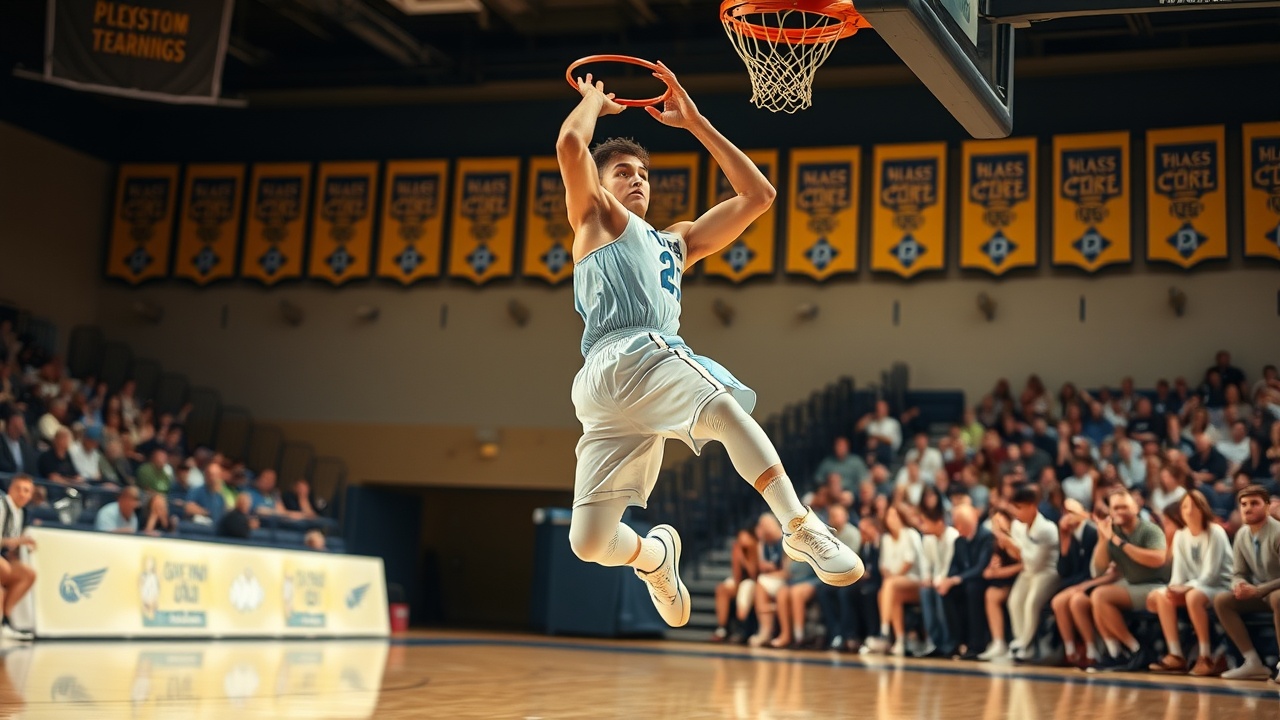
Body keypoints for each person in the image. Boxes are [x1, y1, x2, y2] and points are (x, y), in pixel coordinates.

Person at [558, 63, 861, 627]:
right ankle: (653, 557)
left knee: (722, 407)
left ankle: (798, 526)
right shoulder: (595, 215)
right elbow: (570, 145)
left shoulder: (676, 240)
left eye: (643, 172)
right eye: (623, 172)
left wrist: (697, 124)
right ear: (600, 183)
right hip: (600, 374)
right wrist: (594, 101)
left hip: (648, 353)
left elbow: (759, 195)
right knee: (588, 541)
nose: (637, 179)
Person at [1146, 490, 1232, 675]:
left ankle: (1205, 656)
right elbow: (1178, 574)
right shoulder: (1181, 535)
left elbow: (1211, 575)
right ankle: (1175, 655)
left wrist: (1186, 587)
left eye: (1195, 506)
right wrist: (1171, 589)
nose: (1190, 510)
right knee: (1163, 595)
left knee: (1193, 596)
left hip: (1221, 587)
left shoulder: (1215, 531)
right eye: (1185, 506)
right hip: (1196, 587)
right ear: (1181, 512)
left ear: (1204, 509)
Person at [1087, 488, 1171, 672]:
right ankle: (1115, 653)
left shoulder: (1150, 530)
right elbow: (1098, 571)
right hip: (1132, 584)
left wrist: (1119, 542)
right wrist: (1103, 540)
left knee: (1101, 596)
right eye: (1115, 508)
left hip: (1156, 585)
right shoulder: (1112, 532)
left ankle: (1137, 650)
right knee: (1096, 596)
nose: (1119, 511)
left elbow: (1157, 559)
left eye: (1124, 507)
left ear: (1136, 508)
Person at [1214, 485, 1280, 681]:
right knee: (1222, 601)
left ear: (1267, 506)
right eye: (1243, 504)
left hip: (1274, 592)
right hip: (1259, 593)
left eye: (1254, 503)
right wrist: (1240, 585)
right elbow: (1238, 573)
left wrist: (1259, 590)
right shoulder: (1242, 534)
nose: (1248, 508)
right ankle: (1252, 662)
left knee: (1278, 599)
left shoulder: (1278, 532)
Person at [1000, 484, 1061, 661]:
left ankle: (1026, 645)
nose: (1016, 512)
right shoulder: (1017, 526)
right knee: (1014, 601)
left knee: (1031, 603)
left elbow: (1035, 563)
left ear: (1032, 506)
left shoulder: (1046, 529)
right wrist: (1007, 542)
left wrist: (1013, 546)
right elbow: (1018, 557)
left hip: (1047, 571)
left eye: (1019, 507)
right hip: (1028, 570)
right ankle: (1020, 643)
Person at [0, 475, 37, 640]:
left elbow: (11, 548)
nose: (22, 494)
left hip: (4, 559)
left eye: (27, 491)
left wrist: (23, 547)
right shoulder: (1, 505)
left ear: (31, 495)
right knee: (5, 571)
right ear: (10, 489)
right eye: (19, 489)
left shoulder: (22, 513)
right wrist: (18, 541)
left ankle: (6, 620)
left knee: (28, 573)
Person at [712, 525, 759, 642]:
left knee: (745, 588)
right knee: (722, 588)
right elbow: (736, 575)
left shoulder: (756, 548)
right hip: (741, 581)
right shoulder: (738, 549)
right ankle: (722, 628)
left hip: (755, 582)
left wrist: (744, 557)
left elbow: (753, 573)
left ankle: (741, 629)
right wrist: (737, 556)